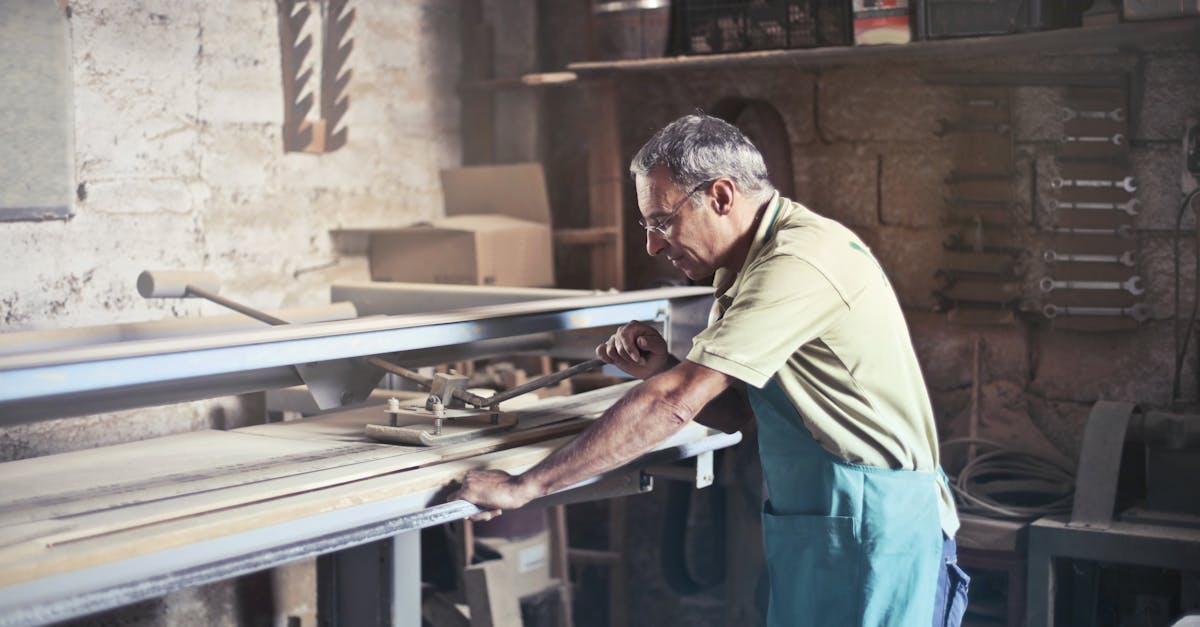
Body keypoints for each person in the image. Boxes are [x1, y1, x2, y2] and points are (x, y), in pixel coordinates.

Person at [449, 113, 969, 627]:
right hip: (830, 521)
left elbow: (675, 403)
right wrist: (664, 368)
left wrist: (526, 486)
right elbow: (743, 411)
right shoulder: (741, 272)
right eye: (646, 225)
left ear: (721, 197)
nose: (652, 245)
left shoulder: (798, 261)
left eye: (661, 221)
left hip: (877, 528)